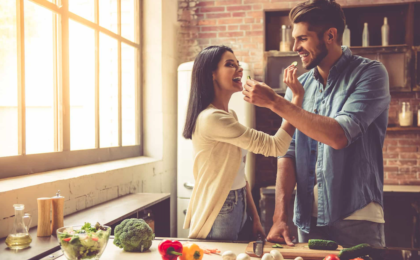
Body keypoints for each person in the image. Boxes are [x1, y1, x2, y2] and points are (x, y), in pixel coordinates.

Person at [242, 0, 390, 247]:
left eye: (302, 39)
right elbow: (287, 154)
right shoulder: (297, 89)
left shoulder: (371, 74)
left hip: (356, 215)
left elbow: (339, 135)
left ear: (330, 35)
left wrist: (275, 102)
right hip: (308, 220)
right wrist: (280, 216)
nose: (294, 47)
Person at [182, 45, 304, 240]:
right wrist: (296, 99)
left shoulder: (228, 115)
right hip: (220, 207)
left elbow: (238, 172)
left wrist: (253, 217)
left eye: (238, 64)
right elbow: (277, 146)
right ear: (211, 74)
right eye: (230, 64)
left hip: (236, 202)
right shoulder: (212, 119)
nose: (239, 69)